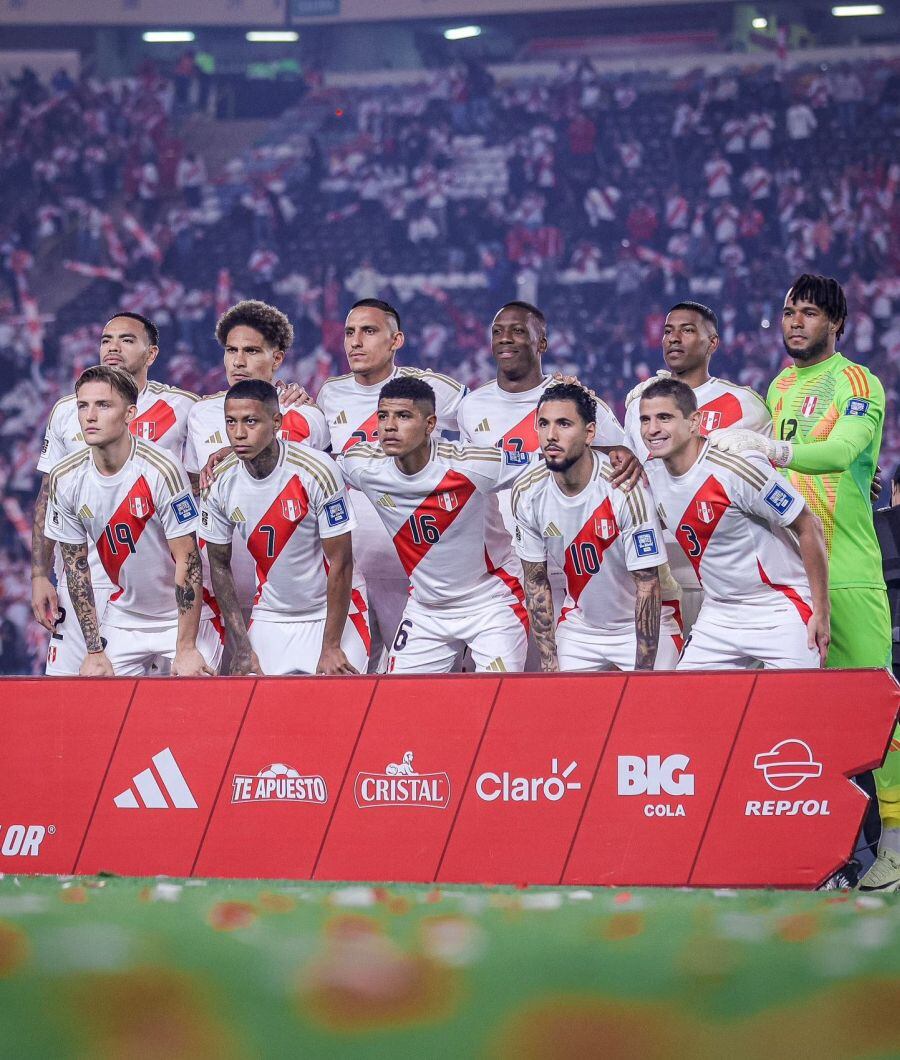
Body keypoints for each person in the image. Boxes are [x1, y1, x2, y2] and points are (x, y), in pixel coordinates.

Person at [710, 273, 899, 891]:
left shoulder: (857, 381)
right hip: (792, 577)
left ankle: (892, 846)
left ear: (835, 323)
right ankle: (832, 853)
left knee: (874, 715)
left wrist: (771, 451)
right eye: (788, 311)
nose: (795, 322)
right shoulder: (781, 386)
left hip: (847, 576)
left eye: (809, 313)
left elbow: (844, 451)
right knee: (812, 724)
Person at [186, 299, 370, 664]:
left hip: (295, 589)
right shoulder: (200, 413)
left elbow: (282, 455)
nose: (238, 361)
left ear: (278, 358)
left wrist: (227, 454)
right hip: (229, 586)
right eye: (231, 351)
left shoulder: (303, 412)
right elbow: (196, 490)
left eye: (251, 351)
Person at [456, 301, 638, 664]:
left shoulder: (575, 400)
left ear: (543, 343)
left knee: (559, 670)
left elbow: (622, 457)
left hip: (570, 559)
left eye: (519, 331)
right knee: (512, 673)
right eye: (497, 331)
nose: (506, 339)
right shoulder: (472, 406)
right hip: (497, 571)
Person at [32, 312, 199, 676]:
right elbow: (48, 494)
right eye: (107, 339)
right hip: (83, 570)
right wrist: (40, 573)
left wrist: (284, 392)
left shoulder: (185, 408)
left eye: (126, 339)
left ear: (151, 354)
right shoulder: (66, 410)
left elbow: (241, 421)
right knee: (76, 690)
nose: (113, 347)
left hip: (152, 581)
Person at [339, 376, 531, 674]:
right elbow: (312, 470)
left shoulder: (472, 464)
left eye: (403, 416)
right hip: (426, 608)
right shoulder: (362, 465)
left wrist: (615, 455)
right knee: (400, 705)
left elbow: (552, 464)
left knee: (497, 699)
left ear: (430, 424)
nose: (389, 426)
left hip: (491, 601)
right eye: (382, 416)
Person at [316, 299, 468, 669]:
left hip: (418, 560)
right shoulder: (330, 394)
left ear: (395, 339)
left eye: (369, 331)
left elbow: (490, 419)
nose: (355, 342)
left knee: (420, 672)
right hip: (354, 562)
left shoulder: (432, 388)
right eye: (350, 332)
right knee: (360, 669)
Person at [638, 378, 830, 670]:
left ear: (694, 422)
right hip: (718, 613)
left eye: (664, 418)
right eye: (645, 419)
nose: (652, 429)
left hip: (778, 607)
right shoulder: (651, 475)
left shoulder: (736, 466)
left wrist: (822, 611)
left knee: (795, 710)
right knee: (685, 706)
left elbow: (809, 525)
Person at [623, 301, 773, 634]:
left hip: (729, 573)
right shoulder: (638, 403)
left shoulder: (745, 404)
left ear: (713, 343)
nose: (673, 338)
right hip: (659, 569)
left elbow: (769, 478)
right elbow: (632, 474)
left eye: (687, 330)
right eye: (667, 331)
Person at [512, 383, 680, 672]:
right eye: (544, 424)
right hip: (581, 627)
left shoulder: (623, 486)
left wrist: (642, 676)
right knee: (560, 709)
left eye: (564, 424)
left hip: (643, 626)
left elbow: (648, 585)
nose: (551, 435)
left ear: (590, 432)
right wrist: (550, 666)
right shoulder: (527, 491)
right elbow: (536, 584)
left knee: (654, 708)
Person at [200, 380, 359, 676]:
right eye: (231, 422)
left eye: (250, 421)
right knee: (253, 713)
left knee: (340, 711)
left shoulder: (316, 470)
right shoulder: (219, 480)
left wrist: (331, 646)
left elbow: (341, 561)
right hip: (271, 615)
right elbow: (218, 565)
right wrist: (243, 648)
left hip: (334, 614)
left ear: (276, 422)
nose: (238, 433)